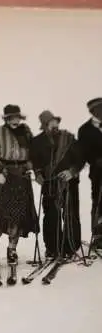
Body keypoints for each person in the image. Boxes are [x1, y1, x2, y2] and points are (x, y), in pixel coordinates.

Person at [0, 105, 38, 279]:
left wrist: (31, 168)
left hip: (21, 177)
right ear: (6, 118)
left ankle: (12, 250)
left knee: (18, 216)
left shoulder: (26, 131)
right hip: (4, 176)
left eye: (17, 117)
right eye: (11, 117)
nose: (15, 120)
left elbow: (33, 154)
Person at [30, 111, 84, 259]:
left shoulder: (69, 138)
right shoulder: (37, 142)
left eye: (55, 121)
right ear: (44, 125)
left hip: (69, 182)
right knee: (51, 216)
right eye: (50, 122)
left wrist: (71, 171)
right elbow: (35, 161)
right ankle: (52, 248)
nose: (54, 125)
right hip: (49, 184)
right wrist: (38, 173)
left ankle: (71, 246)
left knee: (71, 214)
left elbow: (80, 159)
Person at [77, 98, 102, 249]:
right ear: (94, 111)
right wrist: (96, 160)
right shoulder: (84, 129)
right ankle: (98, 236)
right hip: (98, 172)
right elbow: (83, 152)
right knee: (99, 202)